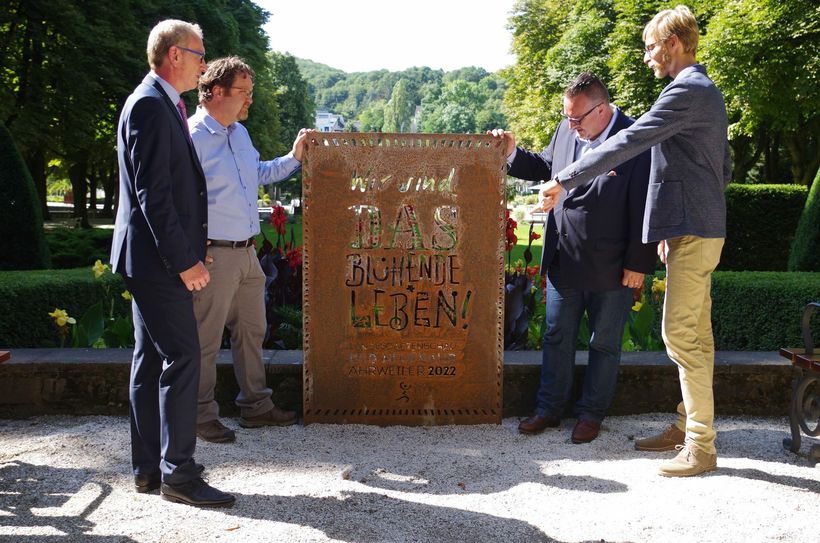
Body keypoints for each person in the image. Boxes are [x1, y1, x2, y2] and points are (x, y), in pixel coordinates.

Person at [540, 5, 730, 476]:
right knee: (696, 336)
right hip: (693, 229)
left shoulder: (687, 91)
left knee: (681, 336)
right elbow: (720, 167)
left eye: (650, 47)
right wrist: (674, 226)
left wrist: (565, 178)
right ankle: (689, 428)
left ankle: (700, 447)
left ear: (672, 43)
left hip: (696, 231)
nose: (647, 57)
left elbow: (629, 141)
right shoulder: (698, 92)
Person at [490, 73, 655, 444]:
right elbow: (545, 166)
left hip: (613, 267)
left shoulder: (635, 137)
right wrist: (513, 153)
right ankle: (548, 408)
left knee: (604, 343)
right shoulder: (568, 130)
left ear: (603, 108)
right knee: (556, 336)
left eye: (578, 118)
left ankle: (591, 415)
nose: (572, 126)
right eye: (567, 118)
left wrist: (638, 264)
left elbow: (645, 204)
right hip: (564, 257)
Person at [111, 20, 235, 506]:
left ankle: (150, 467)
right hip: (158, 262)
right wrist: (184, 261)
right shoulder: (149, 104)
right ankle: (179, 475)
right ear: (173, 55)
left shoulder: (160, 102)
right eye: (199, 54)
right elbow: (152, 195)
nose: (205, 63)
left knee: (148, 360)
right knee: (184, 357)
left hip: (146, 258)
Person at [187, 57, 312, 443]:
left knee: (253, 332)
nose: (249, 101)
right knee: (204, 340)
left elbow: (259, 174)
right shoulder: (190, 135)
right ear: (216, 92)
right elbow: (176, 196)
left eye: (250, 92)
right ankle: (200, 416)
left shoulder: (239, 134)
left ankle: (256, 407)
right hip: (213, 257)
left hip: (246, 254)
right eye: (243, 92)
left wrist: (294, 158)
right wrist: (191, 249)